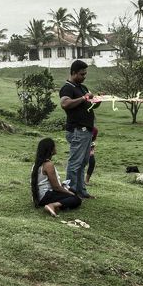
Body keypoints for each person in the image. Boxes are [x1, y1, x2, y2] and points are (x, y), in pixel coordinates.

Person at [59, 60, 98, 199]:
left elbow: (88, 105)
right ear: (74, 73)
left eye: (85, 74)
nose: (84, 76)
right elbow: (65, 103)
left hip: (86, 130)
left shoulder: (82, 87)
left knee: (83, 162)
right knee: (75, 162)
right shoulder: (67, 88)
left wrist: (95, 101)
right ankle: (71, 192)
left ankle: (81, 191)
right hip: (77, 130)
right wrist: (83, 98)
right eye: (82, 74)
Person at [30, 137, 82, 216]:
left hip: (40, 196)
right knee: (76, 198)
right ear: (50, 150)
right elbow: (56, 187)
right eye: (54, 146)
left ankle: (56, 204)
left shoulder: (37, 164)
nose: (56, 148)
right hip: (46, 196)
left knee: (73, 191)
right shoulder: (48, 165)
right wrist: (69, 193)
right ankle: (52, 205)